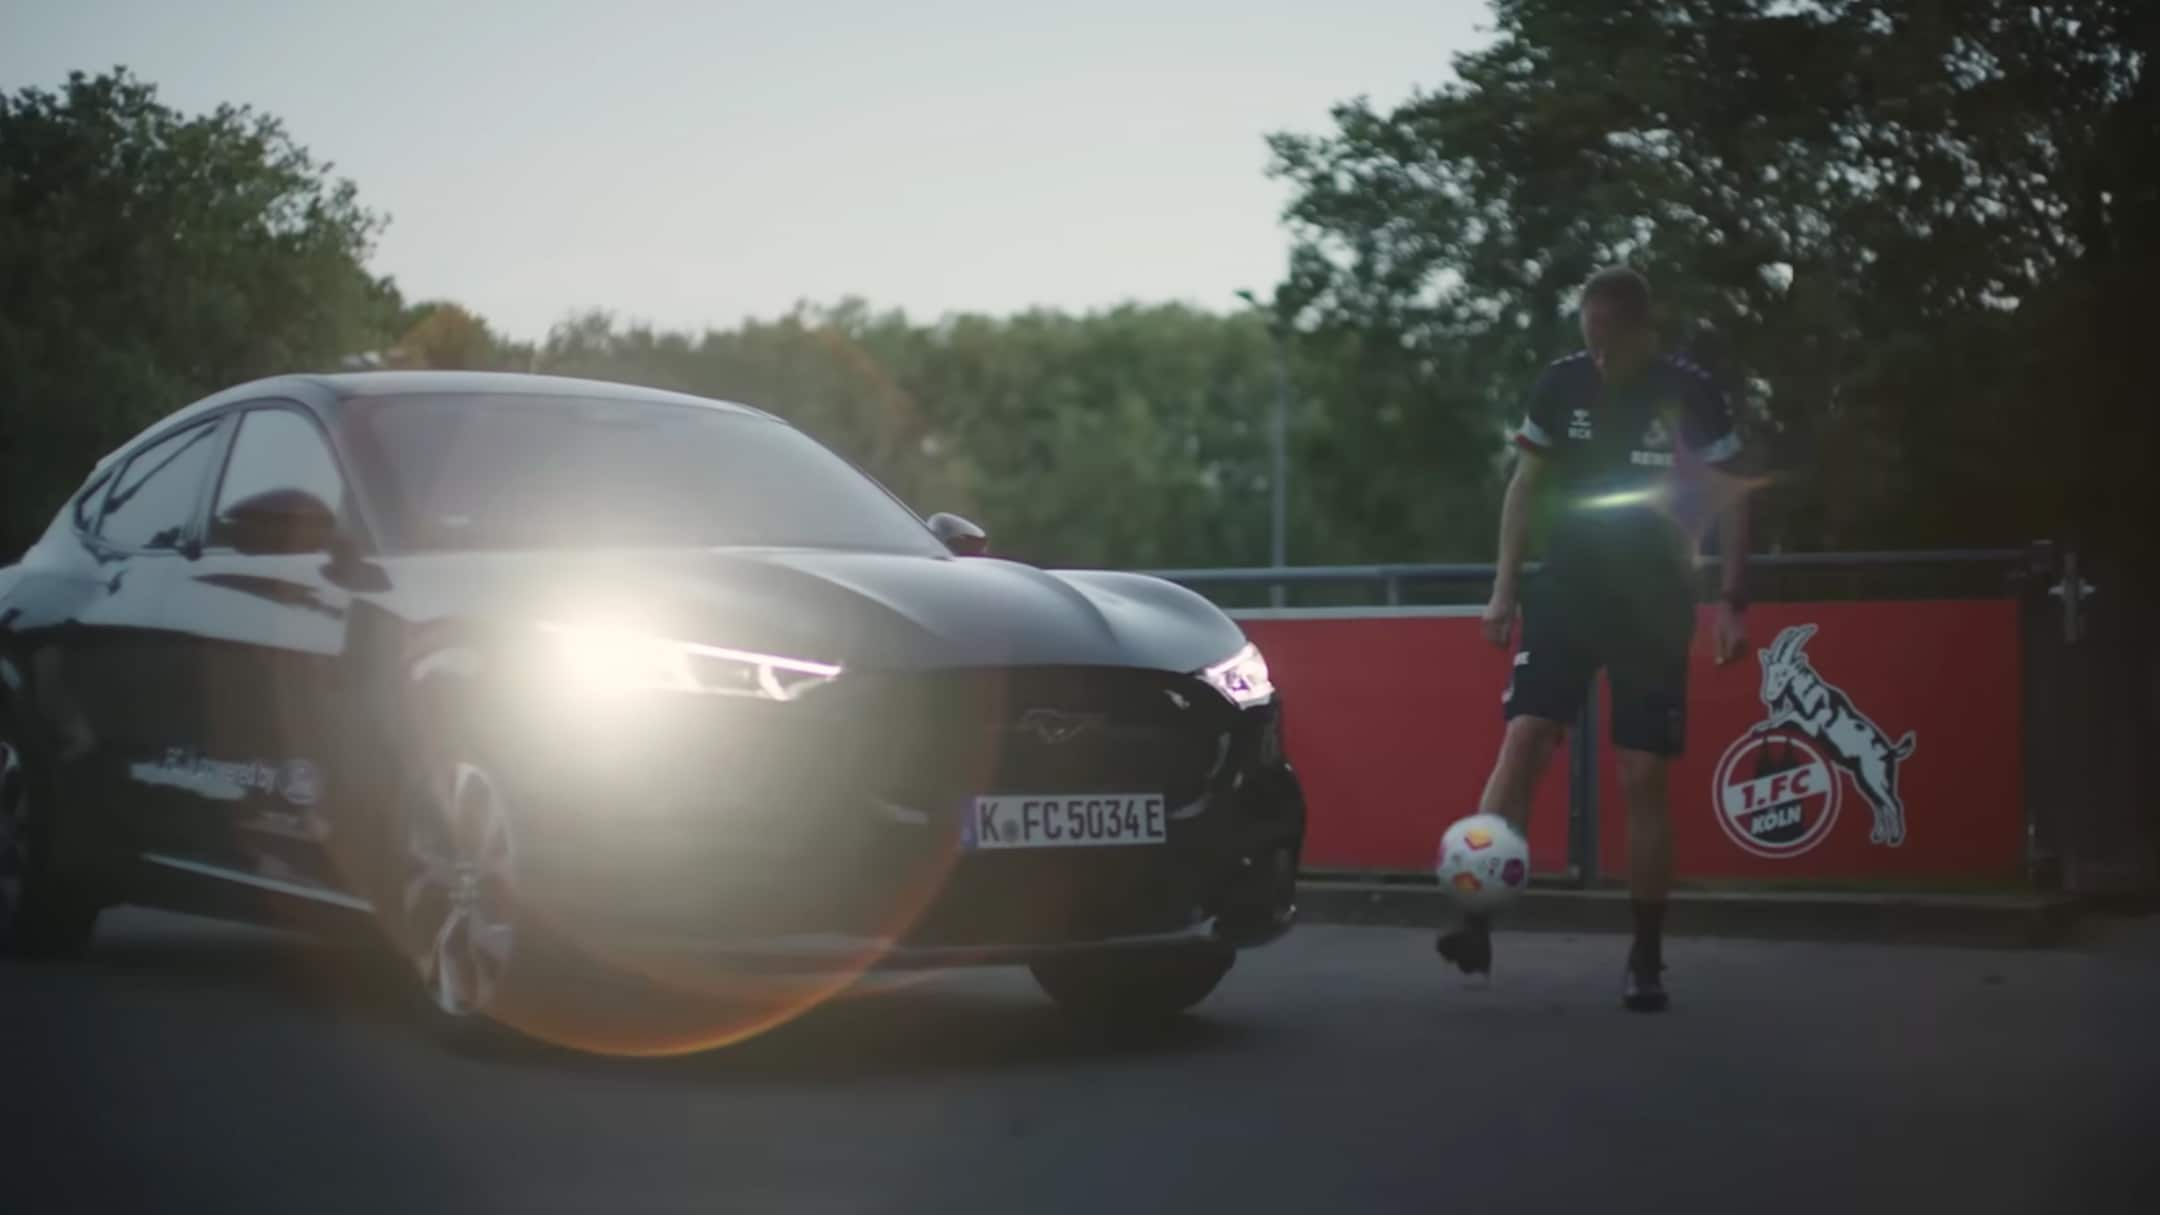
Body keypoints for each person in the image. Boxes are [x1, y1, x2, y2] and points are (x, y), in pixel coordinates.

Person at [1435, 266, 1751, 1012]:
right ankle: (1474, 920)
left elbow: (1735, 496)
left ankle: (1646, 955)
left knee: (1641, 774)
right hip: (1567, 592)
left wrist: (1733, 597)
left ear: (1643, 330)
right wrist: (1503, 588)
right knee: (1524, 741)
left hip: (1652, 604)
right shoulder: (1562, 384)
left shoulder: (1690, 390)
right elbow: (1524, 485)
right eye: (1591, 343)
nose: (1600, 358)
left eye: (1612, 343)